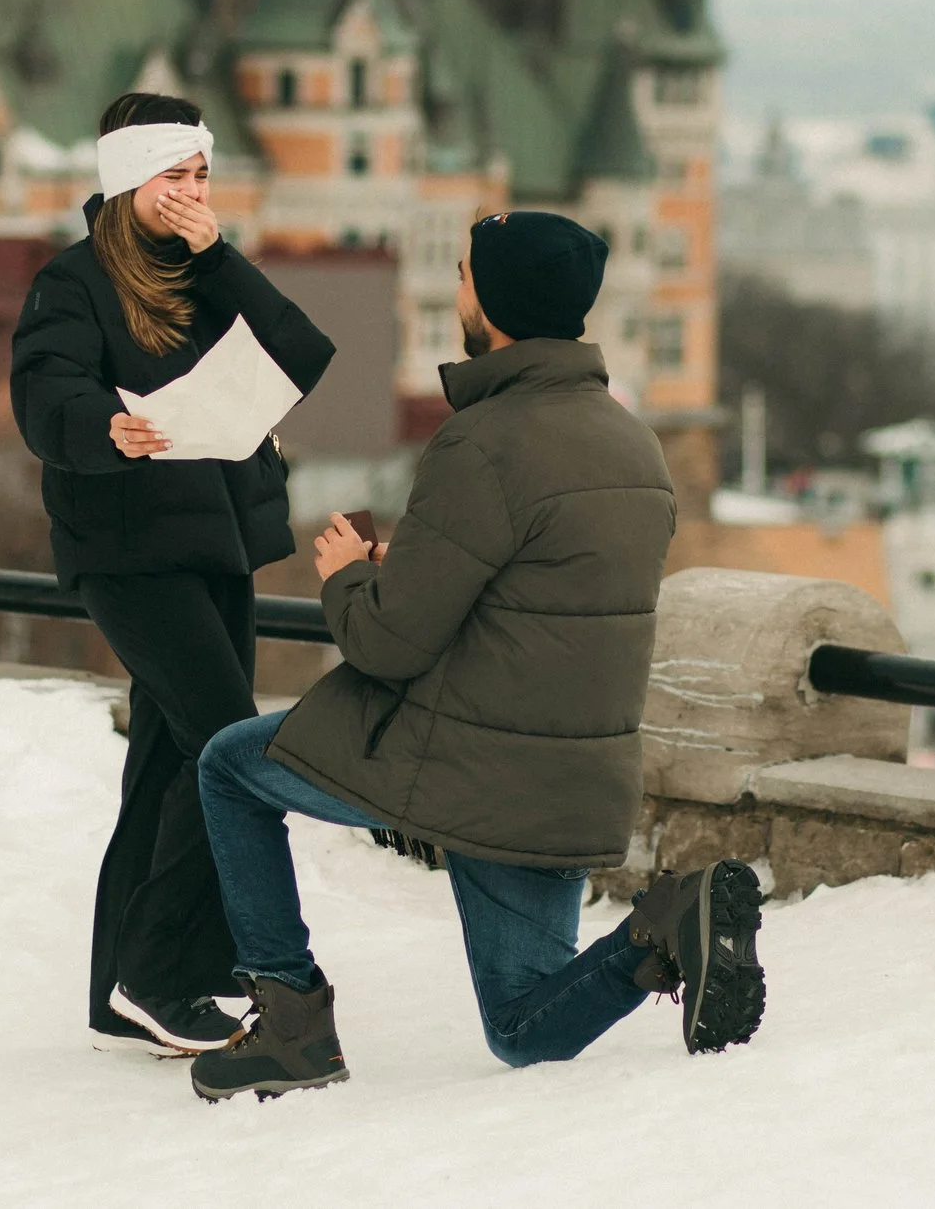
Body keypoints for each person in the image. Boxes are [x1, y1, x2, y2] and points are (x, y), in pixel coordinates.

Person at [187, 211, 766, 1102]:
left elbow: (388, 641)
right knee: (524, 1028)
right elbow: (533, 596)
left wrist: (345, 578)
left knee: (231, 766)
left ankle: (291, 1021)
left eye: (462, 275)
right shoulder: (633, 443)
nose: (456, 289)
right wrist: (407, 569)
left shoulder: (484, 442)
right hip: (573, 780)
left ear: (492, 303)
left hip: (473, 768)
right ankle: (661, 925)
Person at [10, 92, 336, 1053]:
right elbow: (44, 389)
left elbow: (302, 352)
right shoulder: (70, 283)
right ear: (126, 180)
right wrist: (100, 425)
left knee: (166, 761)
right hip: (128, 545)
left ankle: (120, 986)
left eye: (202, 174)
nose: (192, 192)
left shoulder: (206, 275)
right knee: (228, 745)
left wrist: (220, 253)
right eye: (174, 176)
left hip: (217, 542)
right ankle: (162, 968)